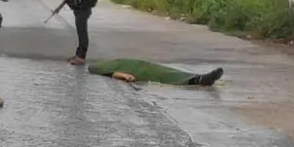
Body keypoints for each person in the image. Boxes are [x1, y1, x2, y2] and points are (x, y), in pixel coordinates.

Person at [59, 0, 99, 65]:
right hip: (81, 10)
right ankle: (78, 55)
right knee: (81, 33)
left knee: (82, 34)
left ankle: (81, 57)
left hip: (84, 11)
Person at [88, 59, 224, 86]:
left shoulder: (103, 64)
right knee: (163, 75)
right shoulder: (96, 67)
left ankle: (197, 78)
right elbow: (94, 69)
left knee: (166, 71)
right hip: (135, 70)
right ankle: (197, 80)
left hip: (136, 64)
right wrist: (121, 75)